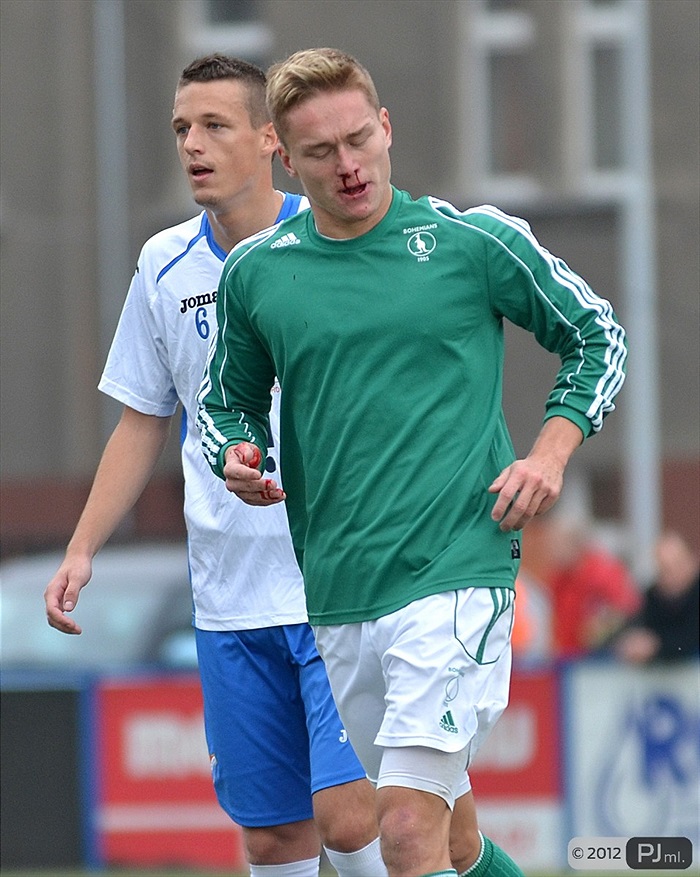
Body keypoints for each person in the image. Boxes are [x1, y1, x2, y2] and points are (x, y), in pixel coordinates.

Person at [197, 47, 627, 877]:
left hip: (459, 568)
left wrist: (551, 448)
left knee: (399, 829)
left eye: (360, 139)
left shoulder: (472, 241)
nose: (348, 165)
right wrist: (238, 456)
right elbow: (227, 403)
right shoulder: (257, 274)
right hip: (342, 589)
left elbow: (596, 334)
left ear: (386, 127)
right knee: (452, 838)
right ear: (285, 157)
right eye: (320, 152)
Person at [43, 54, 387, 877]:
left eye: (214, 125)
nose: (192, 144)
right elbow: (141, 421)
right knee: (272, 835)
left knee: (351, 816)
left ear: (271, 139)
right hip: (231, 594)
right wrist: (83, 546)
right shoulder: (163, 264)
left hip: (339, 581)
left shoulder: (334, 238)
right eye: (180, 129)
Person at [541, 514, 641, 659]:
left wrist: (601, 630)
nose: (551, 550)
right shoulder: (558, 577)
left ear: (575, 543)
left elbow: (625, 610)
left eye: (557, 544)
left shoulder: (602, 572)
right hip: (566, 658)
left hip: (598, 660)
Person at [614, 530, 700, 664]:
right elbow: (635, 627)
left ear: (692, 560)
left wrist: (656, 647)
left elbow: (690, 637)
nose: (671, 573)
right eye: (664, 568)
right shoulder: (653, 596)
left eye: (676, 564)